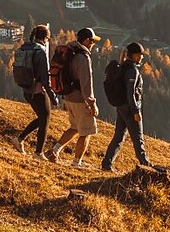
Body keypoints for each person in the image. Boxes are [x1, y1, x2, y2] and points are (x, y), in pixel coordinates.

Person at [101, 40, 158, 174]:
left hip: (121, 107)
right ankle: (146, 164)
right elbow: (130, 92)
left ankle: (106, 163)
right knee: (138, 138)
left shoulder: (123, 67)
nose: (142, 57)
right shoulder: (132, 70)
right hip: (129, 108)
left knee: (119, 137)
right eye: (140, 54)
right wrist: (135, 111)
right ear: (135, 55)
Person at [49, 27, 100, 166]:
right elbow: (86, 82)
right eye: (92, 41)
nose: (93, 44)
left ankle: (54, 150)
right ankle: (77, 162)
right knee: (86, 132)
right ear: (86, 40)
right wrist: (91, 103)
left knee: (75, 127)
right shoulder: (83, 57)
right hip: (80, 99)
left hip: (68, 97)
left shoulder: (69, 53)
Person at [13, 24, 54, 157]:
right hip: (37, 91)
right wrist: (52, 95)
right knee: (45, 119)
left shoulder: (25, 48)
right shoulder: (41, 51)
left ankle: (19, 139)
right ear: (46, 38)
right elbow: (44, 77)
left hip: (26, 89)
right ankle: (38, 152)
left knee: (42, 117)